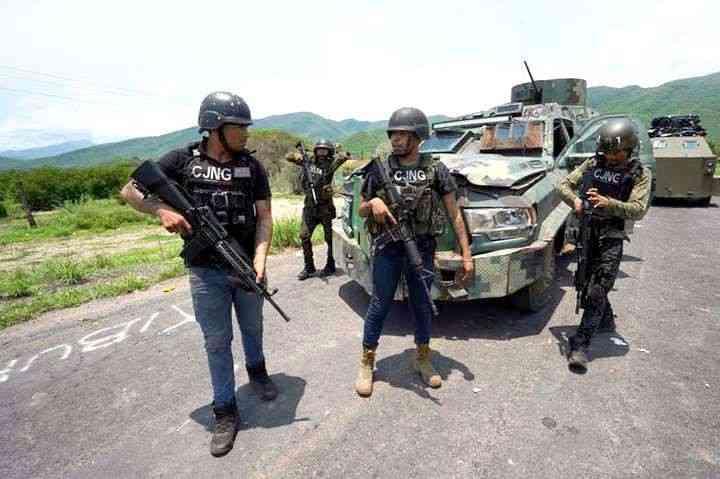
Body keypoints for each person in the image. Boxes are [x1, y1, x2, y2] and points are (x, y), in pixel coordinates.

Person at [121, 92, 277, 457]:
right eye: (239, 127)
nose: (246, 134)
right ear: (214, 127)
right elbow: (130, 191)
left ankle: (257, 371)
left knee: (253, 327)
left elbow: (265, 218)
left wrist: (261, 259)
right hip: (206, 272)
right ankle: (225, 410)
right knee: (217, 342)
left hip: (246, 265)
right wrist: (161, 210)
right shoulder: (181, 161)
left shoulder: (252, 167)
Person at [354, 107, 474, 397]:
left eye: (402, 134)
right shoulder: (379, 168)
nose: (395, 139)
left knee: (422, 304)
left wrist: (466, 255)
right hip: (388, 247)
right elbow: (361, 208)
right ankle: (367, 361)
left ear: (418, 136)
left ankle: (422, 357)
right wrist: (373, 204)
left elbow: (454, 214)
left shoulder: (436, 169)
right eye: (393, 134)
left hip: (422, 247)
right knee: (380, 303)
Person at [556, 117, 652, 373]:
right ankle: (605, 319)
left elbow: (639, 209)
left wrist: (609, 204)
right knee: (586, 282)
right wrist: (575, 201)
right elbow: (564, 185)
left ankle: (580, 345)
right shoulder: (592, 163)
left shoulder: (640, 173)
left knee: (599, 287)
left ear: (629, 149)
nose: (610, 158)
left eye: (616, 153)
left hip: (611, 235)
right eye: (607, 152)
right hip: (587, 230)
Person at [285, 139, 350, 279]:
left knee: (329, 239)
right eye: (319, 150)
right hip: (309, 207)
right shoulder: (308, 161)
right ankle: (309, 267)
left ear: (329, 152)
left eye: (324, 151)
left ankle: (330, 265)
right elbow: (288, 156)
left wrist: (340, 152)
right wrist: (297, 156)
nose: (321, 153)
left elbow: (344, 157)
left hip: (325, 207)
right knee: (304, 236)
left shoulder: (331, 164)